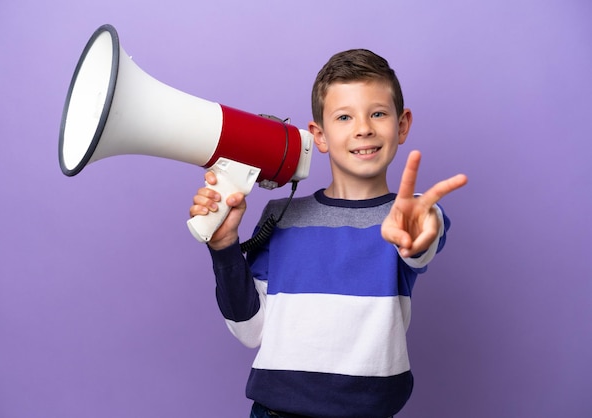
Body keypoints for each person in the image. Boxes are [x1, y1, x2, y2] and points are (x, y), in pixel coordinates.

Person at [189, 49, 468, 418]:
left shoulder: (410, 215)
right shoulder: (281, 217)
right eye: (344, 117)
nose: (363, 128)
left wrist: (420, 233)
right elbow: (250, 330)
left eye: (378, 113)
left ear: (402, 125)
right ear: (319, 135)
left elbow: (421, 240)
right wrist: (224, 249)